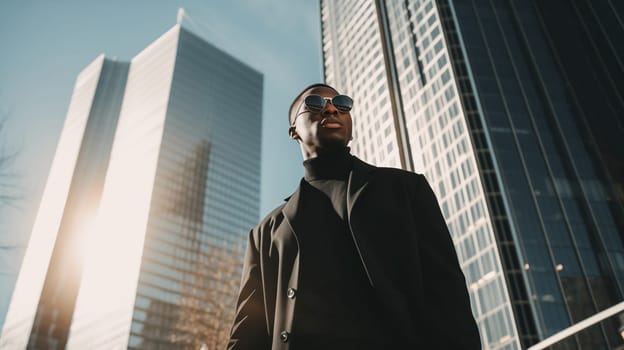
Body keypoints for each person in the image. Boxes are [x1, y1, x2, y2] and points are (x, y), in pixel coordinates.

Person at [228, 83, 481, 349]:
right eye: (314, 103)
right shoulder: (265, 232)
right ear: (293, 131)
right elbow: (247, 332)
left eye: (341, 103)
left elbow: (447, 294)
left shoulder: (406, 189)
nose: (330, 108)